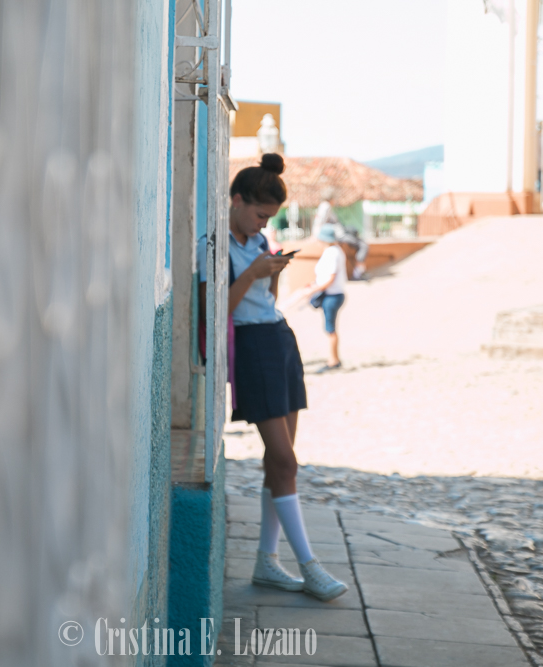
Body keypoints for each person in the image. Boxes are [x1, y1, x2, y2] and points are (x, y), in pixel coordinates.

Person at [197, 153, 348, 602]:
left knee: (281, 461)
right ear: (237, 200)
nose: (263, 226)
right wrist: (253, 272)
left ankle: (268, 560)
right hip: (251, 348)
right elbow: (215, 308)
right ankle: (308, 565)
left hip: (278, 340)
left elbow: (264, 299)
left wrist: (271, 271)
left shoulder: (258, 244)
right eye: (259, 215)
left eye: (269, 219)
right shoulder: (214, 245)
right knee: (285, 462)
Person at [311, 224, 347, 372]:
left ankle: (334, 360)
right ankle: (333, 358)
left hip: (332, 294)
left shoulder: (332, 253)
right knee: (330, 328)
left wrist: (314, 289)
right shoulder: (335, 251)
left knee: (330, 328)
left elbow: (330, 278)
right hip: (332, 293)